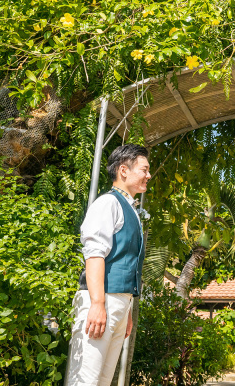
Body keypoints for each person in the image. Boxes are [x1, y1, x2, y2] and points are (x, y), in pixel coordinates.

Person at [67, 144, 151, 386]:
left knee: (103, 381)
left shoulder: (131, 209)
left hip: (118, 304)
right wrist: (97, 304)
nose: (148, 175)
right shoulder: (108, 203)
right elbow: (94, 254)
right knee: (85, 380)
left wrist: (127, 311)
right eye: (144, 169)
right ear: (124, 170)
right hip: (101, 299)